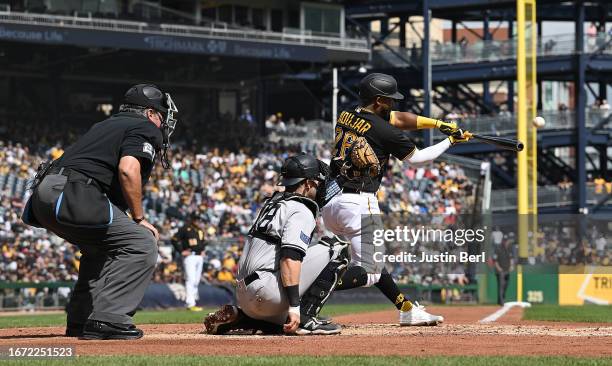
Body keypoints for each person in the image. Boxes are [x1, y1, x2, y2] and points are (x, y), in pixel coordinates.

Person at [22, 84, 178, 340]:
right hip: (73, 192)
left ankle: (81, 320)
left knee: (101, 249)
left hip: (45, 193)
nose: (163, 122)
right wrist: (139, 218)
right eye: (161, 115)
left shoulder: (107, 124)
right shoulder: (145, 127)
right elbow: (128, 169)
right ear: (150, 113)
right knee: (141, 242)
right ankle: (109, 319)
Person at [322, 73, 471, 326]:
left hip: (331, 202)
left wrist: (437, 124)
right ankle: (305, 293)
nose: (393, 104)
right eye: (389, 100)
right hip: (359, 203)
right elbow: (417, 158)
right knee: (370, 271)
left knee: (373, 262)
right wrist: (449, 141)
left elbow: (397, 119)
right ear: (379, 100)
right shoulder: (384, 130)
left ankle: (406, 308)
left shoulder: (347, 115)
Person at [204, 154, 349, 335]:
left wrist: (342, 178)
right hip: (265, 293)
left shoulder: (273, 203)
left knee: (282, 322)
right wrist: (295, 307)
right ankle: (306, 317)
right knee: (338, 248)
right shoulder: (301, 209)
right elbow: (290, 258)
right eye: (317, 183)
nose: (320, 187)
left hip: (244, 295)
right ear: (307, 184)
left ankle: (244, 318)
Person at [171, 212, 207, 311]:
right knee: (190, 280)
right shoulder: (185, 228)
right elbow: (174, 239)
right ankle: (190, 304)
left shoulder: (200, 230)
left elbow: (203, 242)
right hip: (190, 256)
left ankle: (194, 301)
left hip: (199, 256)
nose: (198, 221)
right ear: (191, 219)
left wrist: (203, 250)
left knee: (196, 280)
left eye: (199, 219)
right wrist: (181, 251)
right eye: (196, 219)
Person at [493, 238, 513, 305]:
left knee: (506, 285)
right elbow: (495, 260)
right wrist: (499, 268)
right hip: (500, 271)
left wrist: (511, 266)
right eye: (506, 241)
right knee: (501, 286)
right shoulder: (498, 249)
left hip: (507, 270)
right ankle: (501, 301)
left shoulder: (508, 249)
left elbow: (511, 258)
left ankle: (502, 299)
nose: (507, 243)